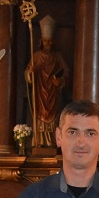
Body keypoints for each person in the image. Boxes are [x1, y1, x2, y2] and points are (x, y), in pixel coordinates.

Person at [25, 15, 70, 146]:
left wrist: (60, 81)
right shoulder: (36, 56)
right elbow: (27, 74)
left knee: (54, 117)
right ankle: (39, 142)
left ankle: (52, 143)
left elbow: (66, 73)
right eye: (45, 41)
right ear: (41, 42)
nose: (48, 44)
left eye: (50, 41)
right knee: (40, 116)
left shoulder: (57, 56)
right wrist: (30, 72)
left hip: (53, 93)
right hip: (40, 92)